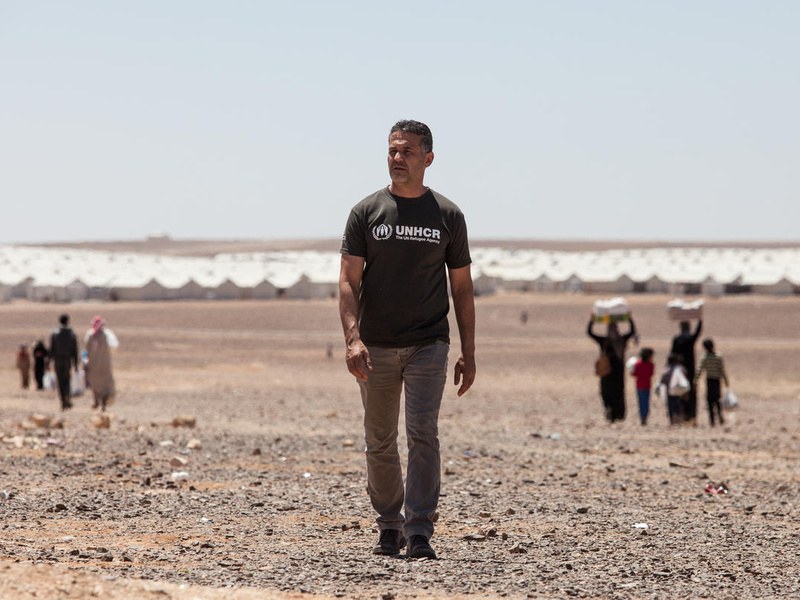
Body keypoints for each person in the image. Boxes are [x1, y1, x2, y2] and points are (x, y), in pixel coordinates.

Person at [339, 120, 476, 560]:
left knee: (422, 432)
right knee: (379, 439)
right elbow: (347, 281)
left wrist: (468, 352)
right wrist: (352, 339)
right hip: (375, 346)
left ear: (428, 159)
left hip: (428, 343)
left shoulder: (448, 216)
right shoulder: (366, 212)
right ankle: (388, 525)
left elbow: (463, 288)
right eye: (393, 151)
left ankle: (419, 530)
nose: (398, 158)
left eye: (408, 152)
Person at [587, 315, 637, 423]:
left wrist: (593, 320)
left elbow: (590, 333)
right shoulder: (622, 340)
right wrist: (629, 318)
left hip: (606, 371)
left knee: (606, 392)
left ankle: (609, 409)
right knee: (618, 392)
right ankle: (618, 414)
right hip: (618, 372)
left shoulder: (604, 341)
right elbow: (632, 331)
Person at [670, 320, 702, 425]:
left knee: (680, 392)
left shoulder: (677, 339)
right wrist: (699, 319)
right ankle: (691, 416)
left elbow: (672, 354)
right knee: (691, 393)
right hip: (690, 370)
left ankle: (682, 415)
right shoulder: (690, 339)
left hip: (679, 370)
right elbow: (698, 333)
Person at [84, 316, 118, 411]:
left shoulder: (90, 335)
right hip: (104, 364)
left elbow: (86, 348)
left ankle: (96, 401)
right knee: (105, 384)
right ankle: (103, 404)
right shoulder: (107, 335)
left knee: (95, 383)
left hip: (93, 363)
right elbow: (113, 347)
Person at [695, 338, 729, 426]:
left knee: (710, 400)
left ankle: (712, 420)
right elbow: (722, 370)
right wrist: (726, 380)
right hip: (716, 380)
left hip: (710, 380)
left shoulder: (705, 357)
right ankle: (720, 417)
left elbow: (700, 370)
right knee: (717, 400)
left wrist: (695, 380)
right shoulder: (718, 356)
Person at [50, 314, 79, 410]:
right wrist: (75, 363)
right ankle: (67, 398)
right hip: (67, 360)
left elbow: (52, 348)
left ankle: (63, 402)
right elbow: (74, 349)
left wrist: (48, 361)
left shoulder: (55, 332)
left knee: (60, 380)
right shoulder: (71, 333)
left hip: (58, 360)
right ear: (67, 321)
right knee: (66, 379)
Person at [660, 353, 689, 425]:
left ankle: (672, 419)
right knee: (678, 404)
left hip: (669, 391)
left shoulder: (667, 369)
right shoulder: (680, 369)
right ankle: (678, 417)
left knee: (670, 405)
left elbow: (663, 380)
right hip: (678, 390)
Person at [630, 347, 655, 426]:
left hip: (639, 386)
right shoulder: (650, 365)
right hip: (647, 386)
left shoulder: (638, 364)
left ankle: (642, 417)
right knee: (646, 402)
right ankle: (644, 417)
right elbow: (651, 374)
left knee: (641, 402)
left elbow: (634, 374)